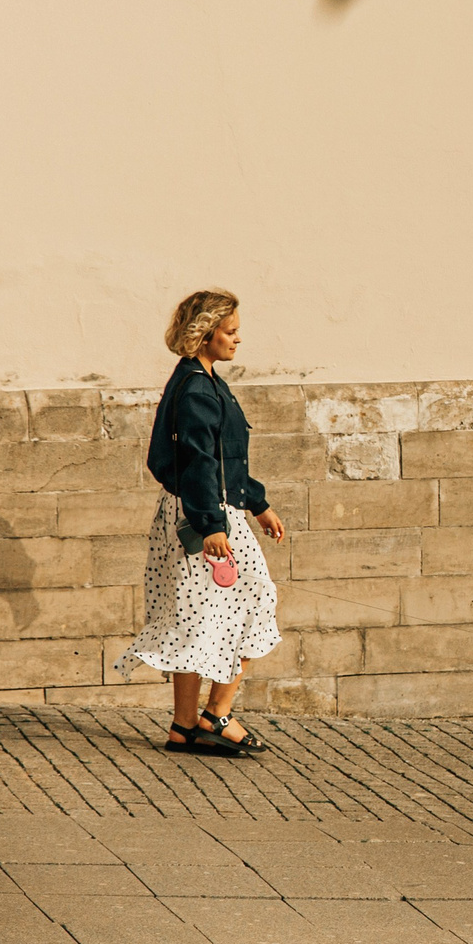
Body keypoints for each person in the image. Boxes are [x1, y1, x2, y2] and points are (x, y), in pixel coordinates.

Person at [114, 288, 287, 754]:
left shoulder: (204, 380)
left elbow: (226, 458)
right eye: (230, 331)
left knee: (195, 617)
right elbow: (197, 461)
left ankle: (188, 724)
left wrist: (257, 502)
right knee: (252, 601)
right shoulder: (195, 387)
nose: (238, 340)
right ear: (205, 333)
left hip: (208, 510)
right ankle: (213, 716)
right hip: (203, 517)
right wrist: (212, 524)